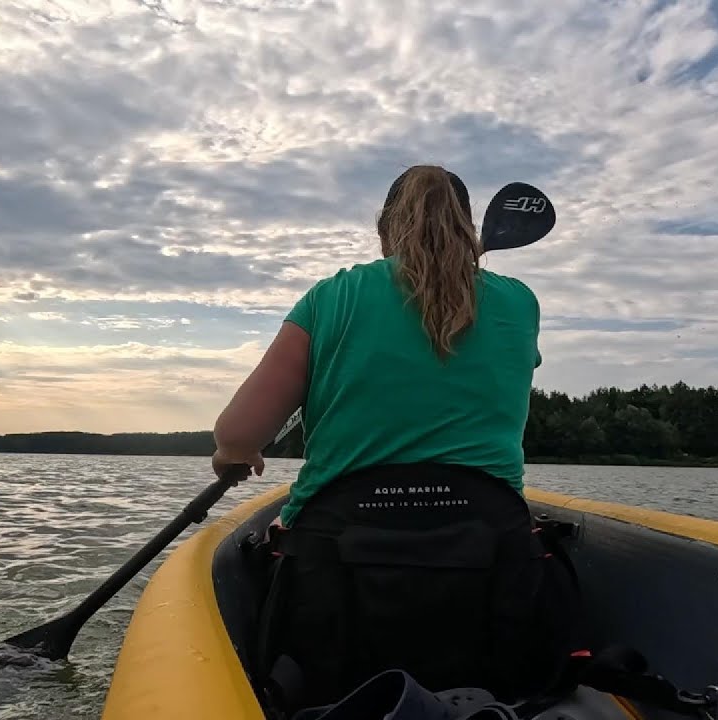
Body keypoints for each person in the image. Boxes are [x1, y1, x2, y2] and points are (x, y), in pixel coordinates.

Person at [210, 165, 548, 713]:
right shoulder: (519, 302)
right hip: (488, 563)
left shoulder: (332, 297)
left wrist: (235, 450)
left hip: (339, 571)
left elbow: (241, 430)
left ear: (384, 229)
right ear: (467, 228)